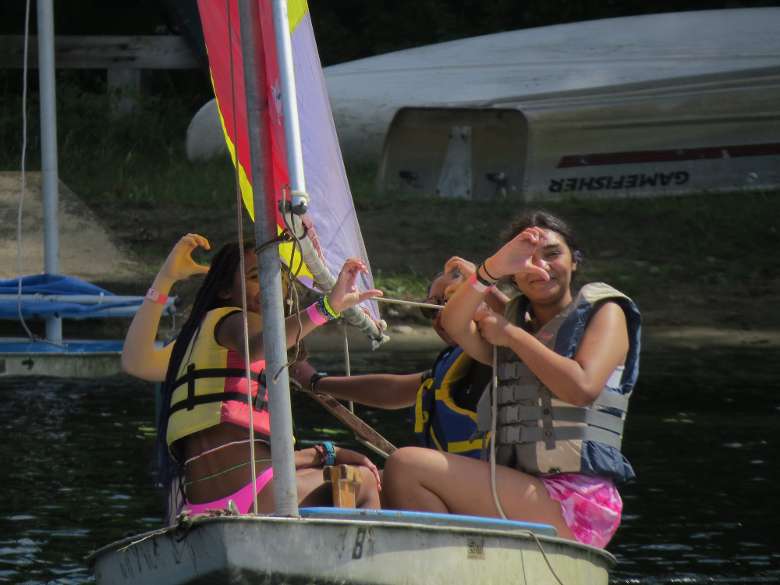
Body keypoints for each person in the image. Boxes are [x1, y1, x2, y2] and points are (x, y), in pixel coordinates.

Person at [380, 210, 641, 548]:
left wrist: (510, 335)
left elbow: (581, 389)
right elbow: (455, 325)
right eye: (527, 260)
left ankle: (444, 564)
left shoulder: (605, 312)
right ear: (513, 274)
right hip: (524, 490)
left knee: (407, 465)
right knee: (394, 475)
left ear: (575, 260)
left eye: (553, 254)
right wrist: (486, 273)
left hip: (579, 501)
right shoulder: (514, 324)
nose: (541, 267)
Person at [121, 233, 383, 519]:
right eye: (257, 276)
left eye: (280, 278)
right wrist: (328, 307)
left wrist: (325, 452)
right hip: (257, 494)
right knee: (364, 481)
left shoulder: (199, 340)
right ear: (225, 290)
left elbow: (136, 361)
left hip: (200, 505)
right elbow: (257, 347)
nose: (273, 286)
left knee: (340, 470)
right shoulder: (236, 320)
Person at [293, 263, 508, 459]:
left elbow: (519, 323)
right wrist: (314, 381)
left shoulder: (507, 351)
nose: (441, 314)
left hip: (497, 482)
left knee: (403, 462)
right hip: (461, 479)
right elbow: (392, 390)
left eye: (452, 299)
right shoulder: (452, 365)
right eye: (430, 308)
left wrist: (485, 278)